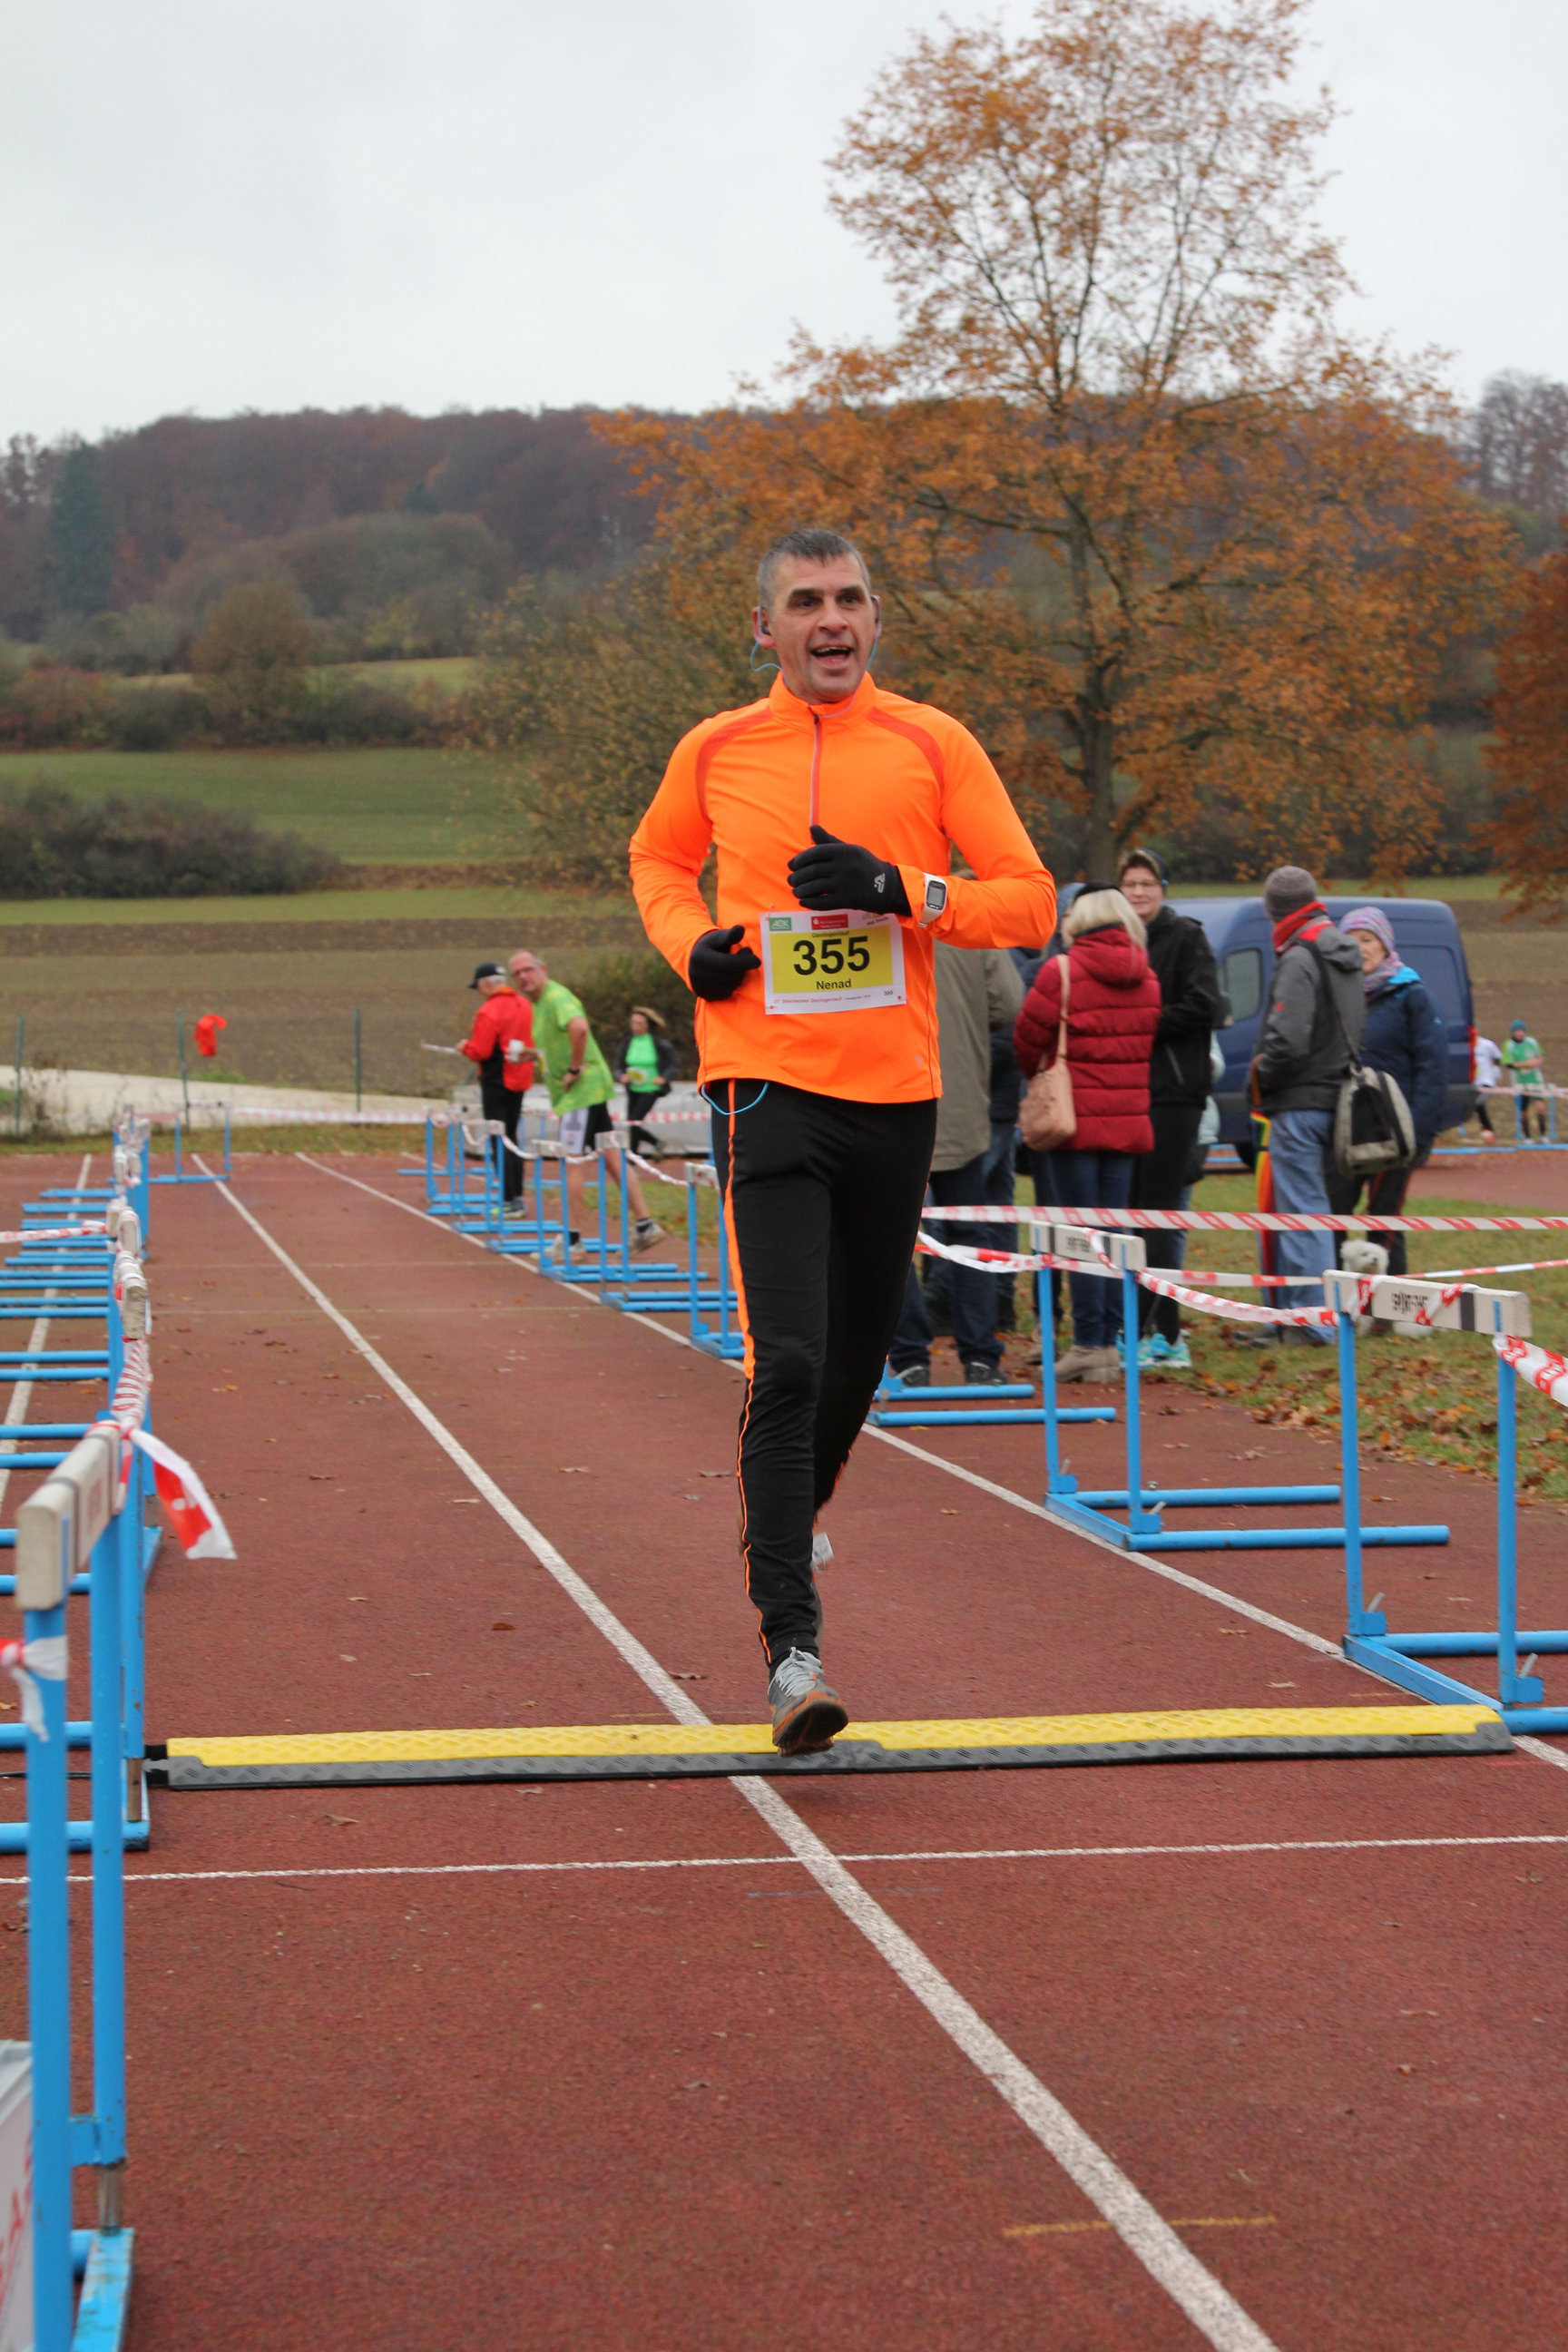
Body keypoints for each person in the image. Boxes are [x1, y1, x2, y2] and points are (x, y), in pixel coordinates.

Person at [630, 525, 1055, 1755]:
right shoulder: (716, 747)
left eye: (850, 599)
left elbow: (1026, 896)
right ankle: (793, 1649)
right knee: (791, 1360)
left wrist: (901, 891)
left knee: (860, 1363)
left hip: (892, 1098)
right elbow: (658, 862)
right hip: (763, 1085)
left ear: (876, 620)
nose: (831, 619)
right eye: (807, 601)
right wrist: (691, 948)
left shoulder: (933, 743)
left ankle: (783, 1517)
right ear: (764, 627)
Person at [1013, 887, 1161, 1381]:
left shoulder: (1061, 971)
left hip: (1071, 1119)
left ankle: (1089, 1342)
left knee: (1078, 1235)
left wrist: (1041, 1071)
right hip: (1127, 1118)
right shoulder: (1147, 977)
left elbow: (1026, 1037)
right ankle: (1112, 1340)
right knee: (1114, 1232)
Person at [887, 943, 1024, 1387]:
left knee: (890, 1237)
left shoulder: (865, 914)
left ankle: (909, 1357)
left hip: (888, 1100)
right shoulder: (970, 924)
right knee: (970, 1234)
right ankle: (982, 1357)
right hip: (959, 1099)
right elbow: (1009, 1002)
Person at [1245, 867, 1364, 1339]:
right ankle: (1306, 1315)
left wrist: (1261, 1075)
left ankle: (1310, 1321)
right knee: (1313, 1210)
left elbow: (1288, 1040)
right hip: (1336, 1097)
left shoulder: (1300, 956)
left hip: (1299, 1100)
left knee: (1300, 1214)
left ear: (1273, 910)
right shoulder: (1343, 951)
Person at [1118, 849, 1222, 1371]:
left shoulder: (1186, 937)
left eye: (1148, 884)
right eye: (1131, 884)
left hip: (1175, 1092)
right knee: (1132, 1213)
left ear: (1163, 889)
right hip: (1127, 1090)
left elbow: (1207, 1005)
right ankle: (1153, 1330)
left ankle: (1156, 1332)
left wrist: (1144, 1020)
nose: (1139, 892)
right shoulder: (1117, 938)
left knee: (1157, 1214)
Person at [507, 950, 664, 1254]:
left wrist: (574, 1069)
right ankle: (646, 1225)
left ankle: (571, 1240)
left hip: (581, 1091)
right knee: (612, 1156)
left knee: (573, 1160)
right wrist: (532, 1055)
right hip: (586, 1090)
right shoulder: (538, 1005)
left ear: (542, 968)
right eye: (517, 973)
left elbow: (579, 1028)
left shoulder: (556, 997)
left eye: (528, 969)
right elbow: (559, 1043)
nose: (523, 977)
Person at [1326, 906, 1447, 1282]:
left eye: (1368, 939)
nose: (1360, 948)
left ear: (1385, 945)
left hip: (1395, 1130)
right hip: (1344, 1129)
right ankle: (1337, 1297)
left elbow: (1433, 1065)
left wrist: (1418, 1131)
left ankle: (1390, 1301)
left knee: (1384, 1220)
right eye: (1352, 940)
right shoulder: (1336, 994)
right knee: (1332, 1213)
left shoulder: (1411, 994)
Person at [457, 962, 536, 1210]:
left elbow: (481, 1050)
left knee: (498, 1139)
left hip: (496, 1080)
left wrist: (465, 1047)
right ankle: (517, 1195)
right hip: (520, 1078)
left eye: (479, 988)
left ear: (486, 984)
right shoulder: (524, 1004)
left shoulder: (488, 1011)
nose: (479, 993)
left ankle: (509, 1198)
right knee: (512, 1137)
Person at [612, 1006, 680, 1156]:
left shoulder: (658, 1043)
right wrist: (621, 1075)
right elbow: (618, 1065)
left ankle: (633, 1157)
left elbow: (674, 1063)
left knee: (635, 1121)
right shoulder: (627, 1042)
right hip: (632, 1088)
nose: (635, 1026)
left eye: (639, 1023)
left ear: (647, 1025)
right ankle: (654, 1144)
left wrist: (664, 1078)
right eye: (633, 1022)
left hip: (650, 1089)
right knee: (632, 1123)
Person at [1502, 1018, 1548, 1141]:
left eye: (1521, 1030)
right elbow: (1508, 1064)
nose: (1519, 1033)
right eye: (1517, 1031)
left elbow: (1540, 1055)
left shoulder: (1532, 1042)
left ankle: (1543, 1135)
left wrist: (1537, 1062)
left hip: (1535, 1080)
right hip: (1519, 1081)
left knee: (1540, 1107)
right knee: (1523, 1111)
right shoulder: (1509, 1045)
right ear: (1513, 1032)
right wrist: (1526, 1064)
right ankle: (1527, 1136)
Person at [1473, 1033, 1502, 1143]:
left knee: (1479, 1103)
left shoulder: (1487, 1044)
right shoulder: (1467, 1047)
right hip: (1474, 1083)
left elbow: (1498, 1056)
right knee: (1477, 1106)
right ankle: (1487, 1131)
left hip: (1487, 1082)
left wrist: (1496, 1068)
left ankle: (1487, 1130)